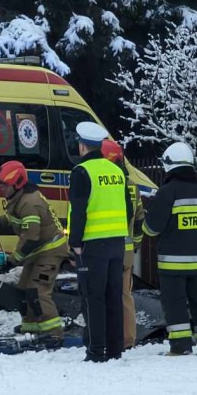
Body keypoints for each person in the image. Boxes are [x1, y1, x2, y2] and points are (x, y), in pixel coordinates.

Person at [0, 160, 69, 344]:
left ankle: (53, 333)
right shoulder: (18, 198)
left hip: (50, 251)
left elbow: (30, 238)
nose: (0, 189)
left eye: (3, 185)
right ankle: (31, 326)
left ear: (16, 183)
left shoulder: (30, 203)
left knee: (38, 291)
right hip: (38, 251)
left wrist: (12, 261)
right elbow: (13, 218)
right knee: (22, 290)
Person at [143, 142, 197, 356]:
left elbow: (152, 228)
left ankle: (180, 345)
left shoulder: (167, 192)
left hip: (172, 263)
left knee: (174, 303)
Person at [67, 122, 131, 362]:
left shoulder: (81, 171)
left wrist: (75, 242)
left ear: (82, 146)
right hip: (117, 242)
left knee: (93, 297)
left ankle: (96, 351)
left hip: (92, 244)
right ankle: (115, 349)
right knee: (114, 296)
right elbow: (127, 206)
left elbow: (79, 210)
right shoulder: (117, 171)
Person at [100, 138, 145, 350]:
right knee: (125, 295)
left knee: (106, 294)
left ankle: (111, 336)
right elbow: (139, 220)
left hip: (106, 249)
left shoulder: (106, 183)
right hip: (126, 252)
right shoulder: (132, 187)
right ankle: (128, 338)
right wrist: (135, 245)